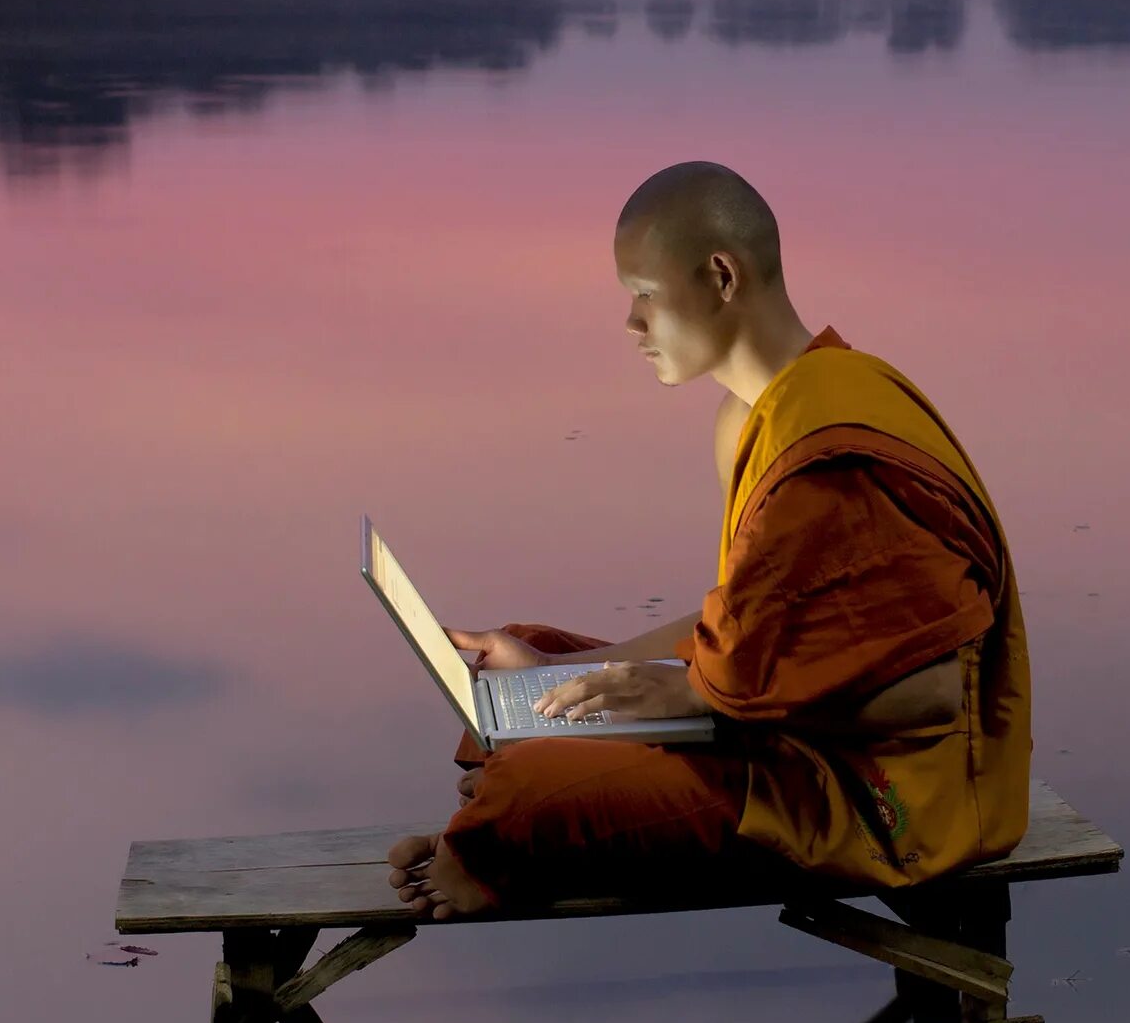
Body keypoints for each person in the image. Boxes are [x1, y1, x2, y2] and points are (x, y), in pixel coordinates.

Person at [387, 162, 1030, 920]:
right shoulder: (752, 417)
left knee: (528, 790)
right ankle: (508, 809)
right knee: (526, 660)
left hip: (881, 788)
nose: (631, 324)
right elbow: (746, 631)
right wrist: (568, 670)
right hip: (777, 730)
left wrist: (703, 702)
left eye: (647, 296)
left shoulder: (832, 443)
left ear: (722, 276)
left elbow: (925, 695)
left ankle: (496, 840)